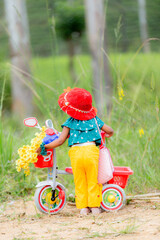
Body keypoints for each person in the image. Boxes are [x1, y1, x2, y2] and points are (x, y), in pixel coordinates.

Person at [36, 87, 114, 215]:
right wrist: (108, 134)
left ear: (71, 110)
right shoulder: (95, 120)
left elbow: (60, 141)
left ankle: (83, 208)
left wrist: (44, 147)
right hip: (91, 152)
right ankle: (94, 207)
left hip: (76, 153)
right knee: (93, 179)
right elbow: (110, 130)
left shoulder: (69, 123)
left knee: (79, 180)